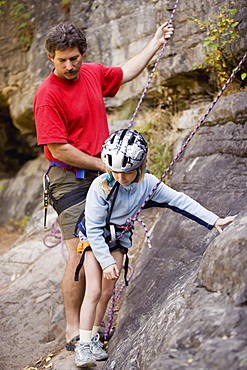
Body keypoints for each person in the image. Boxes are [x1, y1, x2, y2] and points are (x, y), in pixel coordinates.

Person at [33, 22, 174, 350]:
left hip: (101, 176)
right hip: (68, 179)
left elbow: (125, 72)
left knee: (107, 250)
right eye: (62, 60)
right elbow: (58, 149)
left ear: (83, 55)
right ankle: (72, 330)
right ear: (50, 58)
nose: (69, 66)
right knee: (81, 252)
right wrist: (105, 166)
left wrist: (155, 42)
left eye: (75, 58)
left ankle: (91, 327)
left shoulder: (92, 73)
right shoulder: (47, 95)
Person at [74, 128, 236, 367]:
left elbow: (179, 201)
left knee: (107, 293)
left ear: (141, 165)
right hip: (93, 239)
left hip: (118, 240)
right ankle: (83, 344)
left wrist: (214, 220)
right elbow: (95, 229)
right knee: (94, 291)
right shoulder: (100, 187)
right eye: (115, 172)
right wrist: (106, 261)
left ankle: (95, 337)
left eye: (127, 172)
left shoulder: (148, 184)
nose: (120, 178)